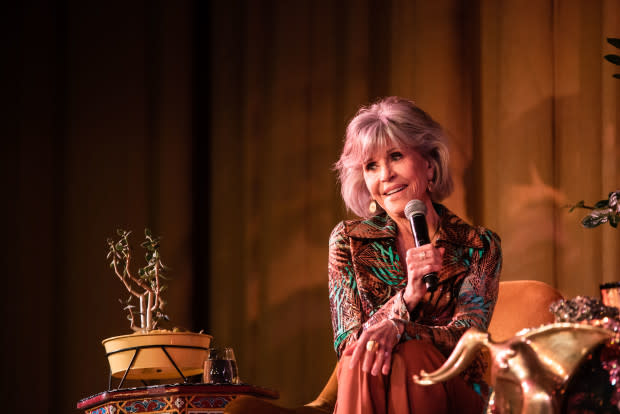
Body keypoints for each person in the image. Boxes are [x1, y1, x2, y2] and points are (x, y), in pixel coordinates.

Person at [329, 96, 502, 413]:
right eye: (371, 166)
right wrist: (406, 300)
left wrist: (403, 330)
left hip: (454, 387)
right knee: (359, 357)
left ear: (430, 164)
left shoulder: (479, 245)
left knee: (412, 357)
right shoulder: (348, 241)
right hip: (370, 385)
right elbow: (347, 344)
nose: (385, 175)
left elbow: (468, 337)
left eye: (395, 156)